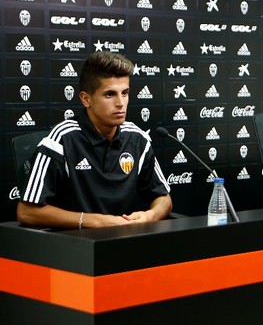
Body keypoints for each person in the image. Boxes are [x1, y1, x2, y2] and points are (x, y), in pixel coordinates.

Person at [17, 51, 173, 229]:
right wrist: (95, 221)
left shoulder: (138, 139)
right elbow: (27, 211)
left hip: (126, 239)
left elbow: (164, 198)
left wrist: (150, 216)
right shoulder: (62, 139)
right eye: (110, 94)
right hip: (74, 242)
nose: (121, 103)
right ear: (86, 99)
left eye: (125, 93)